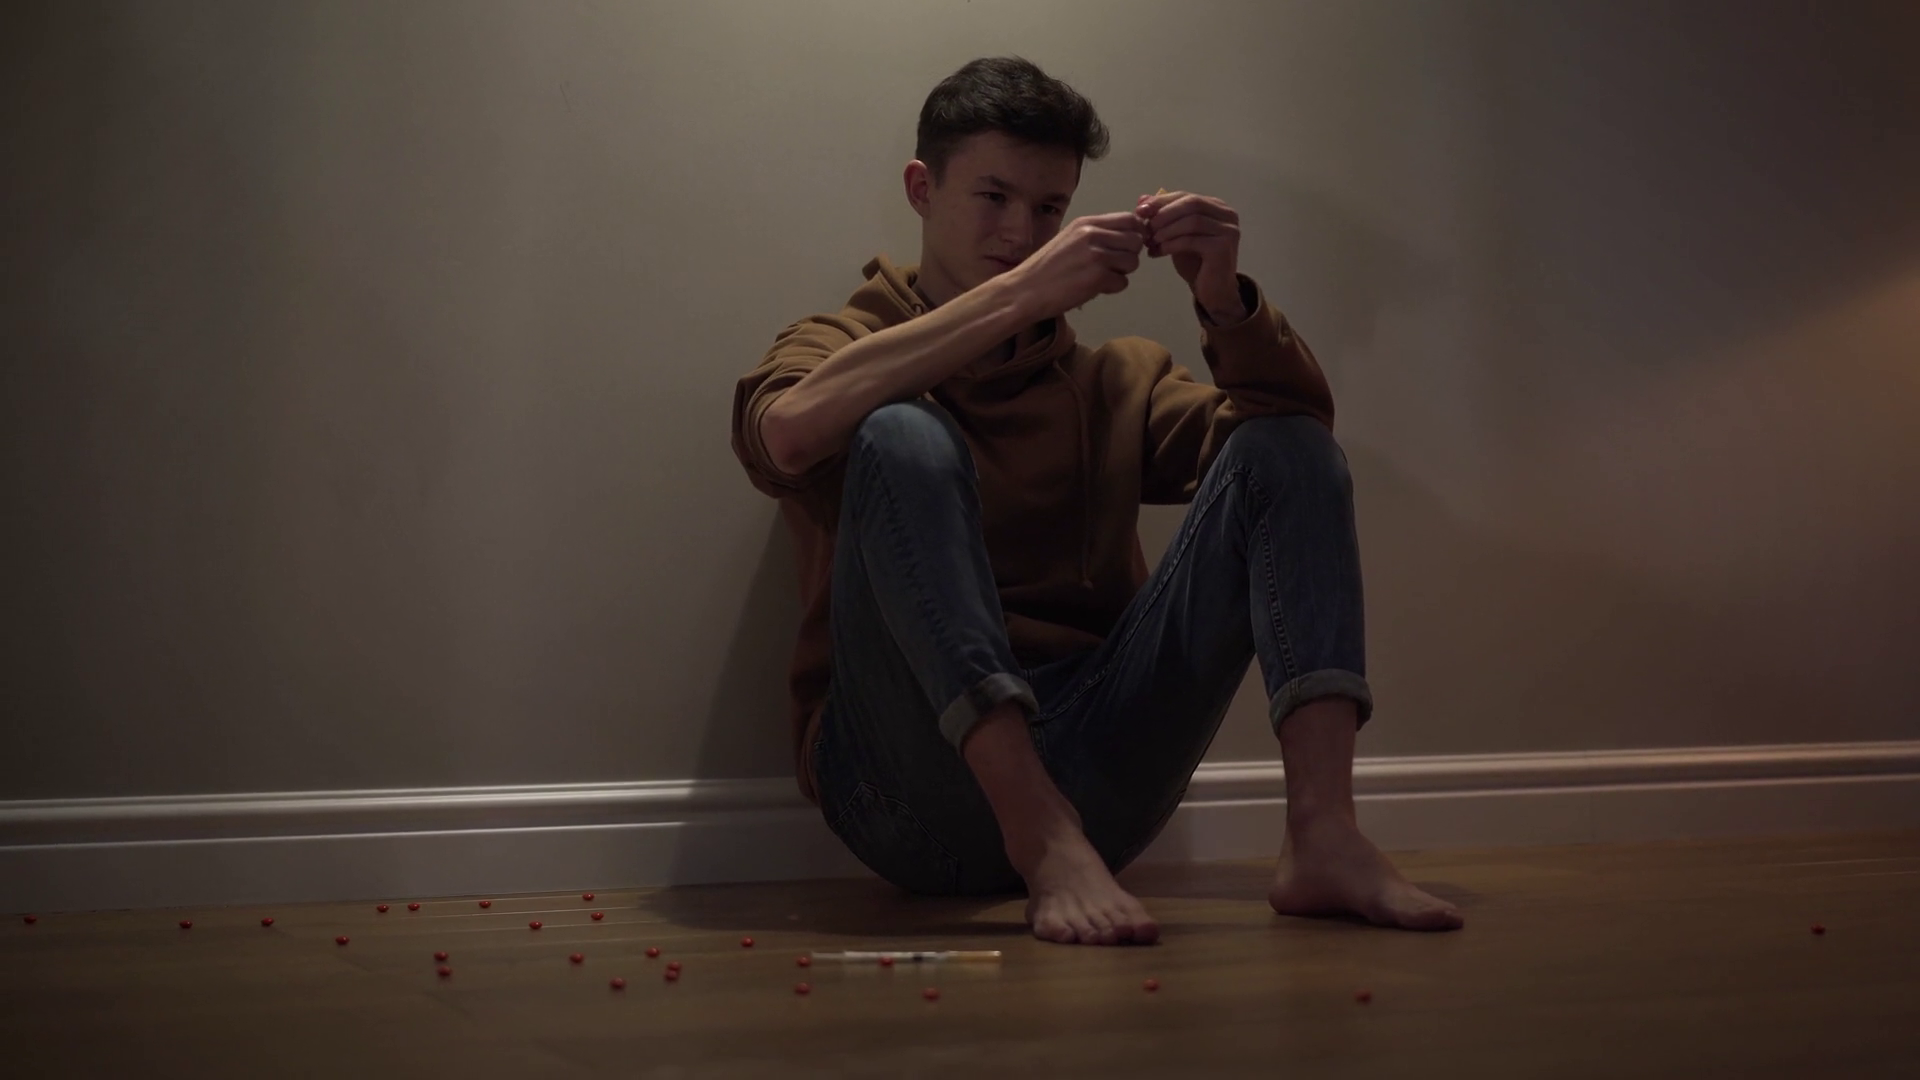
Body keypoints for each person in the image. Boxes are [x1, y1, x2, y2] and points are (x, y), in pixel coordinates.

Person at [730, 56, 1463, 945]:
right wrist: (1020, 296)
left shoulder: (1117, 380)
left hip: (1097, 774)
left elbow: (1294, 450)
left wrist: (1223, 297)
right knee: (900, 434)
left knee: (1288, 447)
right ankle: (1037, 834)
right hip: (904, 790)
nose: (1021, 231)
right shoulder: (841, 342)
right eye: (993, 197)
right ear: (923, 190)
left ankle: (1324, 835)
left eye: (1048, 209)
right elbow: (786, 435)